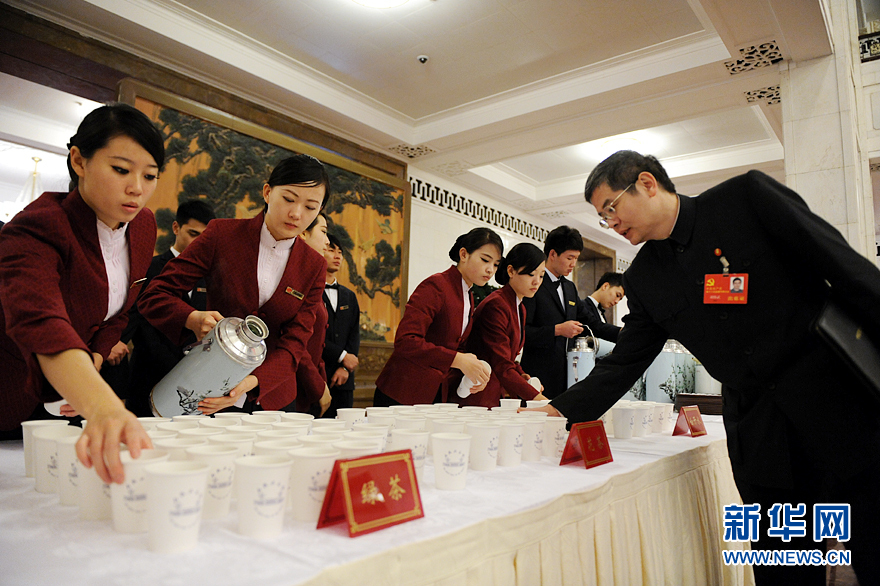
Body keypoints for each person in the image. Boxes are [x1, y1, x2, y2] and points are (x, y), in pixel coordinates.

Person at [533, 150, 880, 585]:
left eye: (611, 208)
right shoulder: (644, 279)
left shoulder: (745, 200)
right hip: (757, 427)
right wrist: (560, 410)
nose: (611, 223)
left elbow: (845, 269)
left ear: (646, 183)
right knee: (781, 560)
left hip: (832, 400)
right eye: (603, 217)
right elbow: (624, 362)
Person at [0, 103, 163, 484]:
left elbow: (118, 313)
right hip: (11, 393)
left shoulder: (143, 226)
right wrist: (103, 405)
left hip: (70, 401)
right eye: (121, 170)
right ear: (79, 161)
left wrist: (94, 357)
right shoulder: (39, 227)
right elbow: (41, 321)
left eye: (150, 175)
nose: (137, 189)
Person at [138, 154, 330, 415]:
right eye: (288, 199)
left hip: (272, 397)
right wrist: (192, 318)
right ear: (267, 192)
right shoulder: (223, 235)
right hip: (209, 386)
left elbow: (296, 343)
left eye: (310, 207)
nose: (296, 214)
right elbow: (155, 294)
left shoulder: (313, 265)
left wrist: (250, 383)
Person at [373, 228, 503, 406]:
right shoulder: (436, 285)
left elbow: (454, 345)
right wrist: (458, 359)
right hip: (401, 392)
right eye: (485, 260)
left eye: (496, 264)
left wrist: (472, 372)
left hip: (432, 394)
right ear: (463, 254)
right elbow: (406, 340)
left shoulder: (468, 295)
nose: (490, 270)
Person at [124, 199, 216, 416]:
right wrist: (174, 365)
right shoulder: (150, 267)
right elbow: (139, 322)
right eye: (193, 234)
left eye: (204, 237)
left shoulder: (210, 276)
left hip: (193, 381)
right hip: (149, 373)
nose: (198, 242)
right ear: (176, 228)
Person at [456, 243, 549, 408]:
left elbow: (509, 358)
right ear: (511, 271)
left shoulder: (519, 306)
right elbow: (501, 363)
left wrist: (522, 375)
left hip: (493, 390)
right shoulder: (497, 305)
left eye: (541, 276)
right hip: (476, 391)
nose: (537, 281)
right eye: (531, 274)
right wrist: (539, 399)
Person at [520, 225, 591, 399]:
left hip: (567, 375)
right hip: (538, 374)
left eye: (576, 258)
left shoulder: (569, 287)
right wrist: (557, 330)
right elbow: (523, 332)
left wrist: (621, 333)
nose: (573, 264)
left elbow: (591, 322)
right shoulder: (532, 285)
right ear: (552, 254)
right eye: (569, 257)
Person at [292, 212, 332, 415]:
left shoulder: (312, 274)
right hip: (293, 383)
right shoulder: (295, 277)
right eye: (323, 232)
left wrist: (320, 380)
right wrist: (317, 385)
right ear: (303, 234)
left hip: (309, 383)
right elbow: (294, 338)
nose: (327, 241)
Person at [321, 234, 360, 418]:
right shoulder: (309, 291)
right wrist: (342, 356)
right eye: (331, 250)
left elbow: (354, 334)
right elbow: (312, 334)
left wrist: (345, 367)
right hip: (318, 376)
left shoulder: (349, 296)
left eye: (340, 252)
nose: (337, 256)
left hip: (345, 379)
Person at [582, 272, 624, 343]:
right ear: (605, 286)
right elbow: (596, 327)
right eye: (617, 295)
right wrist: (622, 331)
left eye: (620, 299)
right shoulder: (582, 306)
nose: (617, 301)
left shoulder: (601, 312)